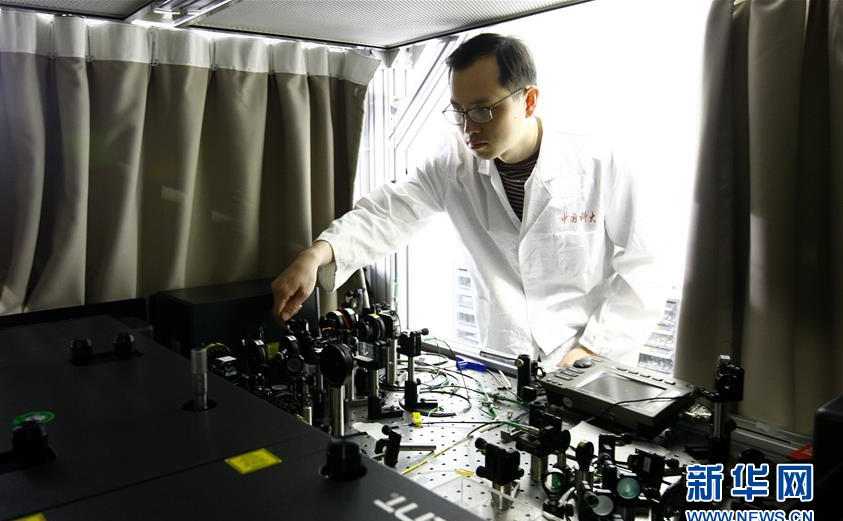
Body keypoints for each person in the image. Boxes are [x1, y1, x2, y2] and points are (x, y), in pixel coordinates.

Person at [271, 33, 666, 368]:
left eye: (482, 110)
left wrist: (592, 349)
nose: (467, 128)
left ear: (529, 101)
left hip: (589, 362)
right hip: (505, 361)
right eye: (458, 111)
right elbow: (389, 213)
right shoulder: (453, 164)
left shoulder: (599, 165)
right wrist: (316, 255)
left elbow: (644, 267)